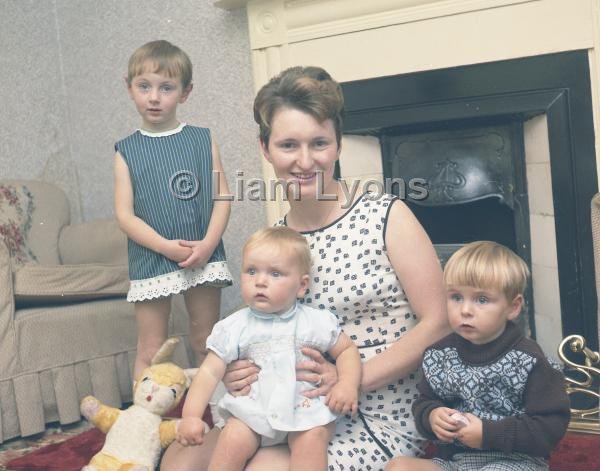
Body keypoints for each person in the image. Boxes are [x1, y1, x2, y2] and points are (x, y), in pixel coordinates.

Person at [160, 66, 448, 471]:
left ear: (338, 145)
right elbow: (257, 329)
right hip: (283, 406)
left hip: (369, 408)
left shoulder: (386, 216)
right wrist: (235, 372)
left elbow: (438, 322)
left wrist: (351, 378)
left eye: (319, 143)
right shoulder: (275, 243)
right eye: (289, 145)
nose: (305, 160)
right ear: (265, 148)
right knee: (180, 462)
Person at [177, 226, 362, 471]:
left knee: (313, 440)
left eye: (275, 274)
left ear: (302, 285)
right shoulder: (234, 326)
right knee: (231, 439)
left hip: (305, 412)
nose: (260, 281)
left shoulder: (315, 322)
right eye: (251, 271)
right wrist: (191, 416)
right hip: (252, 413)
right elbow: (209, 372)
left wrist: (347, 384)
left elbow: (347, 350)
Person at [386, 241, 570, 471]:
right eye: (456, 297)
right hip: (455, 461)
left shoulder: (530, 361)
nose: (465, 310)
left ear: (513, 307)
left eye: (481, 300)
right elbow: (424, 402)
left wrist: (487, 434)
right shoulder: (438, 355)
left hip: (515, 461)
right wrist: (432, 416)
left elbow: (549, 426)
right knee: (398, 467)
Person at [114, 40, 233, 379]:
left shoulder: (201, 138)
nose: (154, 97)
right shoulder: (125, 150)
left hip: (201, 251)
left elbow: (222, 196)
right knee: (151, 349)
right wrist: (164, 246)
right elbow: (125, 216)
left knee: (205, 339)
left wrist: (209, 244)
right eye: (144, 86)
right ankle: (145, 424)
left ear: (185, 92)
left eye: (166, 87)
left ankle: (216, 415)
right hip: (151, 256)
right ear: (130, 88)